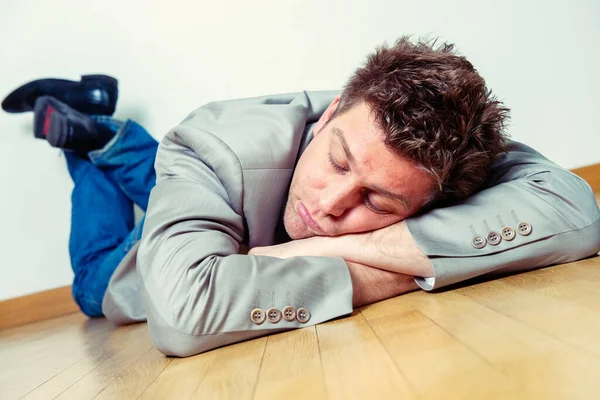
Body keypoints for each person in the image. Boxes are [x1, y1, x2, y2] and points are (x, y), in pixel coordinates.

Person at [4, 37, 599, 357]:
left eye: (380, 202)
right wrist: (390, 265)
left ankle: (100, 130)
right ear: (331, 111)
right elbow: (183, 315)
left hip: (215, 205)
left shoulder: (436, 151)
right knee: (89, 282)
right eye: (337, 161)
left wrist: (323, 257)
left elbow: (577, 210)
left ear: (427, 199)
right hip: (142, 257)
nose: (333, 205)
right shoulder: (213, 141)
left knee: (181, 183)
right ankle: (88, 144)